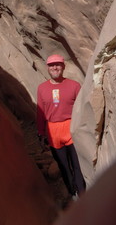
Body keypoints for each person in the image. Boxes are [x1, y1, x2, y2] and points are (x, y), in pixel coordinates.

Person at [37, 54, 86, 198]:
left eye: (58, 64)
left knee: (77, 164)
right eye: (52, 65)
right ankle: (72, 191)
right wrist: (41, 133)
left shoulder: (74, 85)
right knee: (64, 165)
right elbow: (40, 112)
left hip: (71, 128)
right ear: (47, 68)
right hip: (53, 132)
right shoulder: (42, 88)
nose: (55, 67)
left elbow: (82, 109)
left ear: (63, 66)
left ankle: (82, 193)